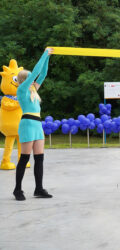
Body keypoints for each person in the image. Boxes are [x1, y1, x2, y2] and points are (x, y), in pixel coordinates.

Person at [13, 48, 53, 201]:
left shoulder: (33, 90)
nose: (33, 79)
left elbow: (43, 74)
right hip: (27, 123)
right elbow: (37, 71)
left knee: (39, 158)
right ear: (25, 79)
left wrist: (48, 57)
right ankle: (17, 189)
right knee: (24, 158)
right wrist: (44, 53)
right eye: (30, 77)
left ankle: (39, 188)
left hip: (37, 124)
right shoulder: (22, 89)